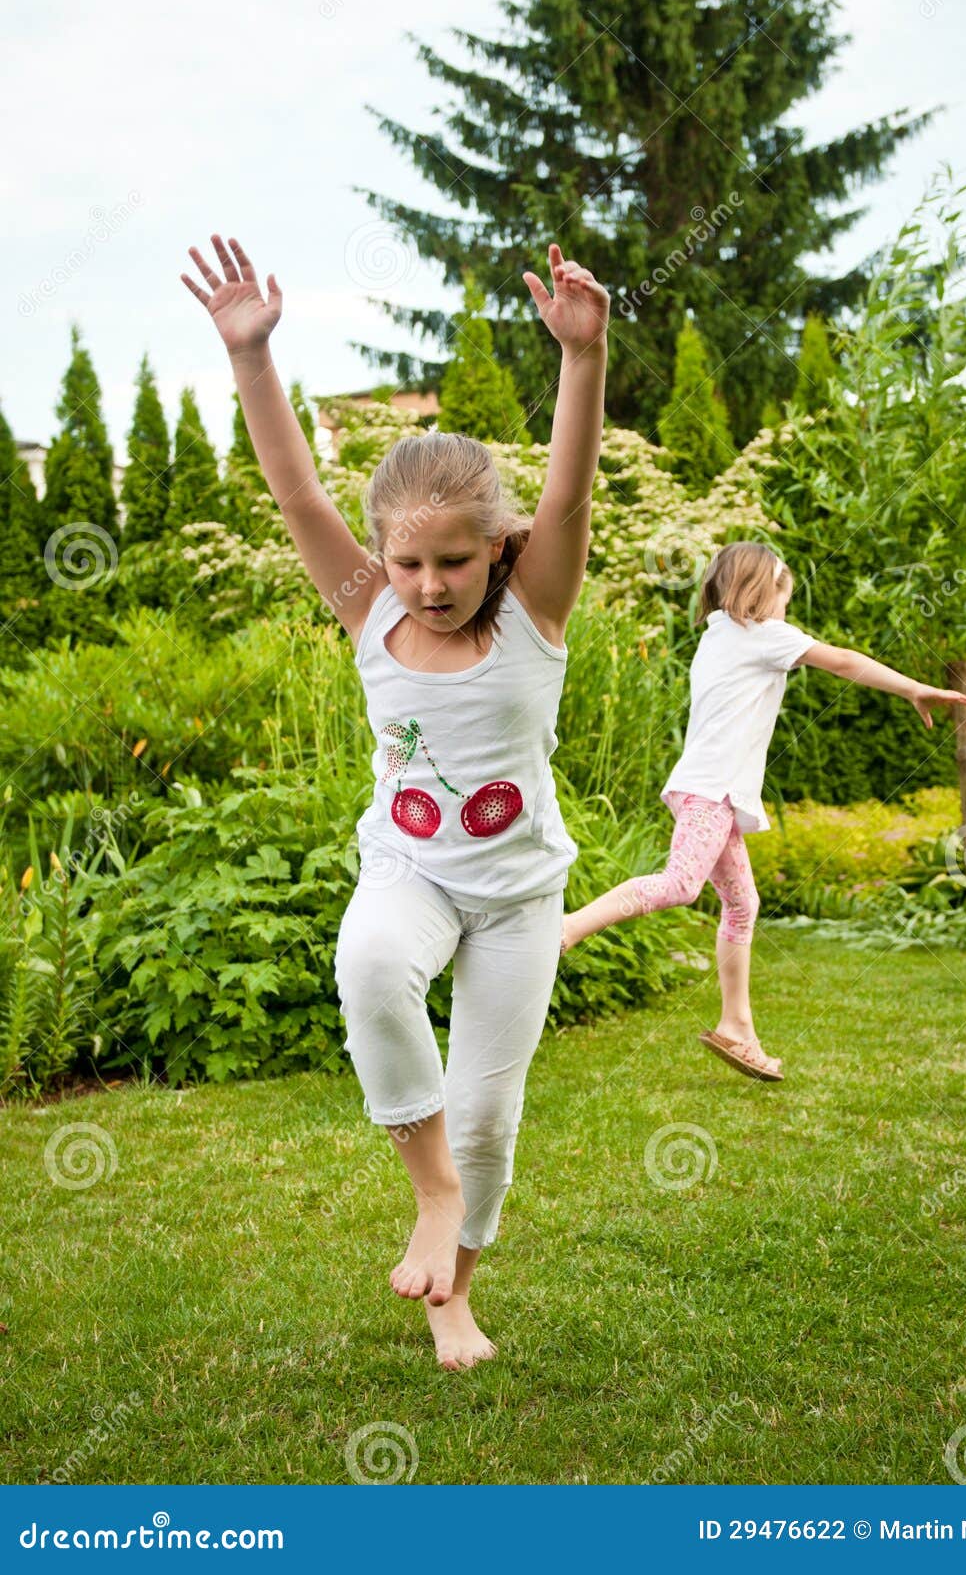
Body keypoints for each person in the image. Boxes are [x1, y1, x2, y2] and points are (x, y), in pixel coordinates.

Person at [181, 233, 609, 1370]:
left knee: (487, 1113)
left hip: (518, 893)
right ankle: (432, 1195)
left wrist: (584, 355)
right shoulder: (369, 608)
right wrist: (253, 355)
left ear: (497, 550)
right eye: (408, 564)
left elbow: (568, 490)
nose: (428, 585)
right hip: (411, 867)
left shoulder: (537, 608)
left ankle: (452, 1293)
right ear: (380, 558)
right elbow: (293, 484)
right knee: (369, 966)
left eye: (454, 564)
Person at [560, 541, 966, 1081]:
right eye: (784, 598)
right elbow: (843, 661)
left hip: (712, 793)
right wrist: (914, 687)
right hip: (710, 792)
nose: (786, 612)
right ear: (761, 592)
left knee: (742, 903)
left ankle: (738, 1026)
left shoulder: (718, 634)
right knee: (681, 884)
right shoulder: (761, 635)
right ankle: (565, 931)